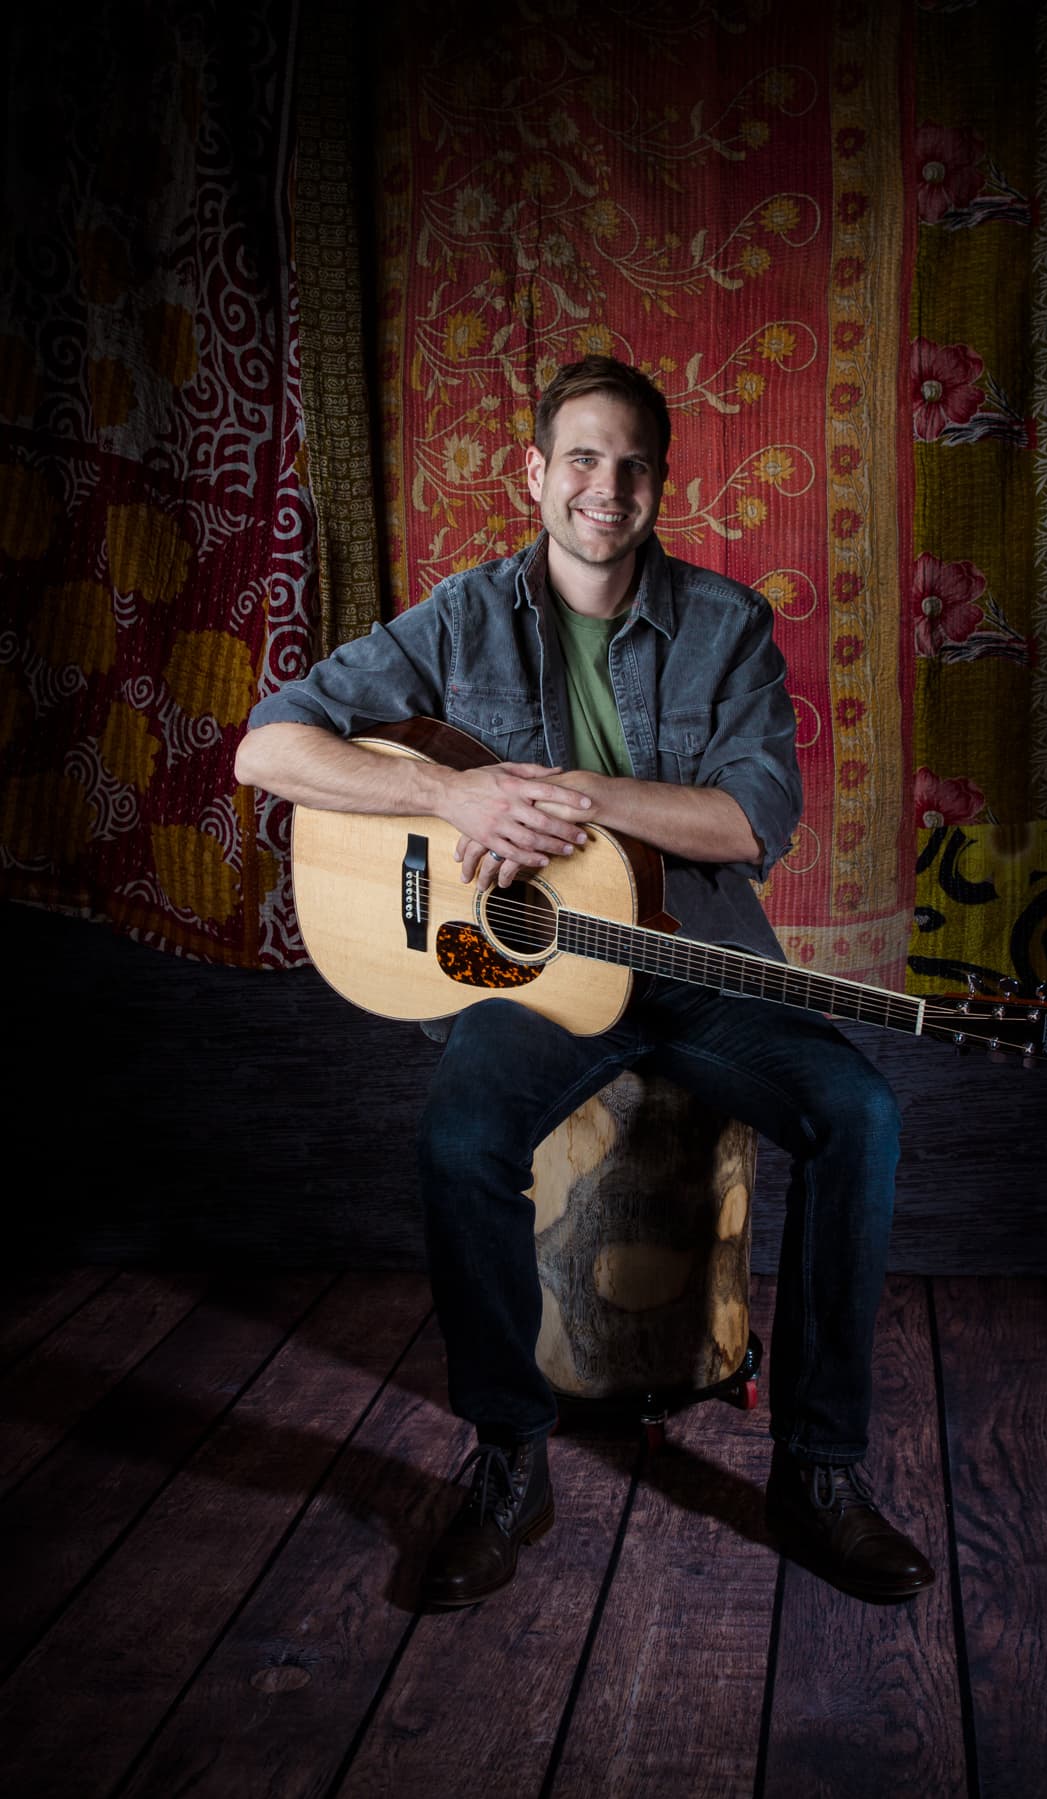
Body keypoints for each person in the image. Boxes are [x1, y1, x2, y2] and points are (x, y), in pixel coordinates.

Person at [235, 355, 934, 1609]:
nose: (604, 489)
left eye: (631, 466)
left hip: (695, 967)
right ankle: (510, 1456)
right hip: (538, 979)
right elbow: (269, 744)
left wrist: (558, 799)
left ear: (661, 484)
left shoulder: (728, 626)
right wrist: (453, 790)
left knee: (862, 1117)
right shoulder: (461, 616)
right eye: (581, 460)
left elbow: (747, 820)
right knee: (460, 1138)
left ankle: (818, 1473)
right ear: (536, 474)